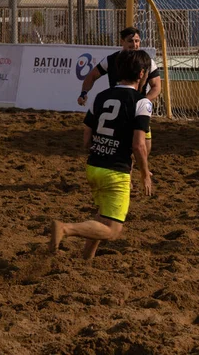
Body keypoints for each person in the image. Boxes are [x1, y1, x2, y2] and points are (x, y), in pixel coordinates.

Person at [50, 50, 153, 260]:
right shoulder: (142, 102)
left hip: (94, 165)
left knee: (102, 216)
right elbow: (139, 145)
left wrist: (97, 149)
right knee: (113, 230)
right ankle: (65, 229)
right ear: (142, 74)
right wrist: (145, 173)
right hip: (115, 171)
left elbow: (86, 137)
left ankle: (85, 258)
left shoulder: (101, 96)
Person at [78, 27, 161, 154]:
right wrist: (84, 93)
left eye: (137, 41)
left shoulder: (147, 61)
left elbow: (157, 86)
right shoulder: (112, 60)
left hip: (137, 109)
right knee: (119, 145)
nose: (135, 45)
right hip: (118, 109)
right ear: (122, 41)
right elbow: (92, 75)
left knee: (145, 147)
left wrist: (143, 101)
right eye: (131, 41)